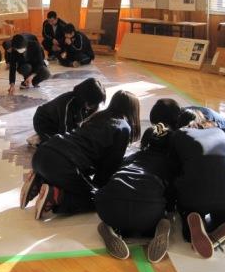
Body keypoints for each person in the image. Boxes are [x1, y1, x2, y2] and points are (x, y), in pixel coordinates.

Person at [20, 90, 141, 220]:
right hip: (61, 164)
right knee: (99, 199)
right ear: (133, 110)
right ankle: (56, 196)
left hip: (43, 153)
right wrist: (98, 190)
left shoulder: (97, 116)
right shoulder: (123, 128)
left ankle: (40, 180)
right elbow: (108, 168)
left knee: (76, 182)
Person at [95, 123, 177, 262]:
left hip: (107, 206)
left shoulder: (131, 157)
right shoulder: (169, 163)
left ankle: (112, 227)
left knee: (122, 208)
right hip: (147, 213)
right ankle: (155, 229)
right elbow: (171, 196)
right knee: (160, 214)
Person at [171, 121, 225, 259]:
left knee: (189, 217)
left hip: (197, 194)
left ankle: (193, 219)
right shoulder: (221, 132)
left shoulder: (180, 134)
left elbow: (173, 169)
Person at [149, 98, 225, 162]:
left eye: (161, 125)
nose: (160, 129)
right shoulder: (180, 116)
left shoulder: (196, 124)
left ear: (170, 122)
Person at [26, 78, 106, 146]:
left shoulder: (92, 104)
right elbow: (64, 132)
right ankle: (40, 138)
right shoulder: (66, 104)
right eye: (92, 103)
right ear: (84, 96)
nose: (94, 106)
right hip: (45, 122)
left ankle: (43, 137)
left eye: (96, 103)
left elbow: (87, 124)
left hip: (62, 122)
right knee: (59, 145)